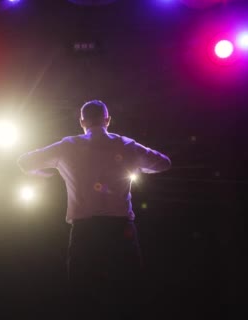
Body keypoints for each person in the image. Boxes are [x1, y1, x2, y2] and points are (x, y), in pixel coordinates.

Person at [17, 100, 171, 318]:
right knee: (129, 298)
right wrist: (137, 165)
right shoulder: (126, 145)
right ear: (108, 120)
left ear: (82, 122)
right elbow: (164, 163)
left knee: (83, 301)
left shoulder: (67, 146)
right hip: (121, 234)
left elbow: (24, 161)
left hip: (85, 234)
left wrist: (40, 173)